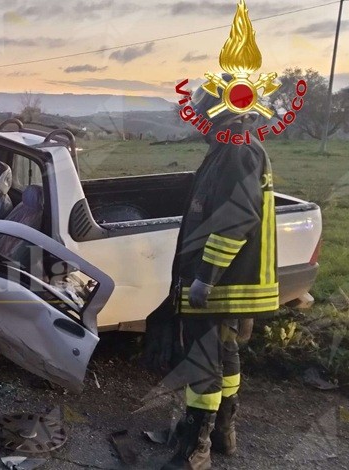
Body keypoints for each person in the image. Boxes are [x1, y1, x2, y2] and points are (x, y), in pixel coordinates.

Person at [145, 80, 278, 470]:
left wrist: (206, 276)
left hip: (224, 281)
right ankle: (221, 433)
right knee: (224, 352)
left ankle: (193, 449)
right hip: (231, 282)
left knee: (202, 359)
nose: (199, 122)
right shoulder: (231, 148)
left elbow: (237, 218)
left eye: (203, 114)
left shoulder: (236, 152)